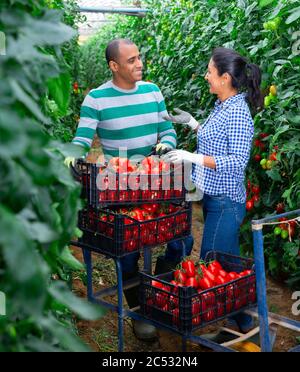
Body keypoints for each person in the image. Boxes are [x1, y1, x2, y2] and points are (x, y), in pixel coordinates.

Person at [70, 39, 193, 341]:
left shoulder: (153, 91)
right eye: (131, 60)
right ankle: (141, 310)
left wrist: (165, 146)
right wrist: (70, 157)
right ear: (114, 66)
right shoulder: (96, 99)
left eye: (139, 58)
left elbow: (167, 131)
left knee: (182, 240)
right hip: (120, 190)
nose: (140, 64)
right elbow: (82, 140)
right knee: (126, 252)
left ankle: (157, 283)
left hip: (156, 184)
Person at [163, 47, 263, 333]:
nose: (206, 76)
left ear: (226, 77)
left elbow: (237, 161)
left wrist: (191, 157)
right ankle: (244, 321)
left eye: (210, 71)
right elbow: (214, 139)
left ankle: (238, 320)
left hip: (226, 201)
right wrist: (194, 124)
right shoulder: (223, 105)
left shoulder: (237, 113)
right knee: (228, 262)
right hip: (212, 198)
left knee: (210, 260)